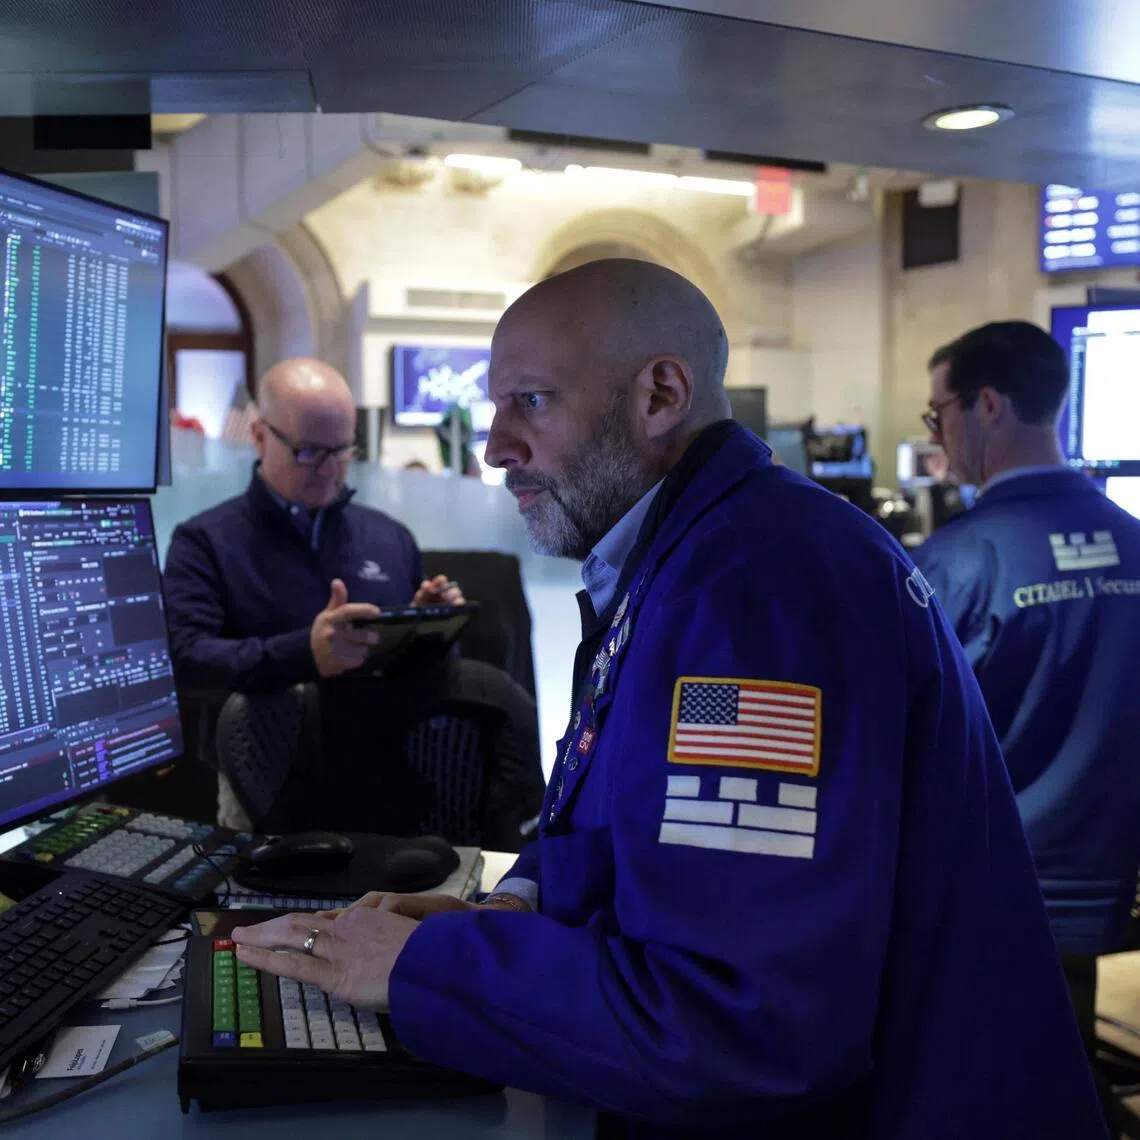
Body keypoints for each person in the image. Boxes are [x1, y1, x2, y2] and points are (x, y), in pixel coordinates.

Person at [232, 264, 1105, 1138]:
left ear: (660, 394)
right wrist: (515, 908)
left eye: (529, 402)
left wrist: (429, 966)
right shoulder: (691, 558)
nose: (495, 447)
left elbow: (738, 1026)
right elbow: (648, 831)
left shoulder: (756, 597)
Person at [911, 319, 1140, 1123]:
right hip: (1113, 882)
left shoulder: (954, 565)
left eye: (938, 417)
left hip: (993, 895)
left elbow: (902, 740)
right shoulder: (1135, 544)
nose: (938, 440)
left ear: (988, 405)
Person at [163, 357, 464, 695]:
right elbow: (185, 661)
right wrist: (304, 654)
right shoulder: (204, 543)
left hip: (391, 743)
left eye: (341, 450)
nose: (328, 470)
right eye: (308, 452)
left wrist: (426, 629)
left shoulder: (390, 537)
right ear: (259, 436)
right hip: (266, 744)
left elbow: (425, 676)